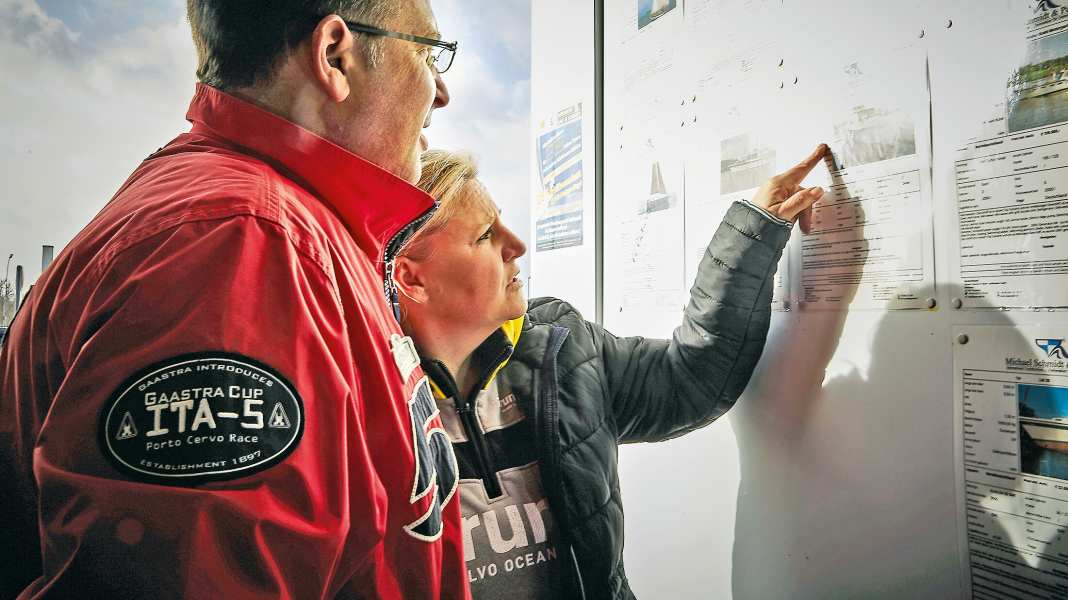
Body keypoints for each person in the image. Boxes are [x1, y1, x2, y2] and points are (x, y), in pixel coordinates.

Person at [0, 2, 470, 598]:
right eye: (428, 55)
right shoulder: (242, 244)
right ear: (334, 55)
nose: (442, 93)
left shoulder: (274, 226)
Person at [390, 145, 828, 599]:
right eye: (485, 235)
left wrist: (754, 230)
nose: (517, 246)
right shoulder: (368, 402)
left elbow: (691, 379)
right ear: (412, 278)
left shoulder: (558, 348)